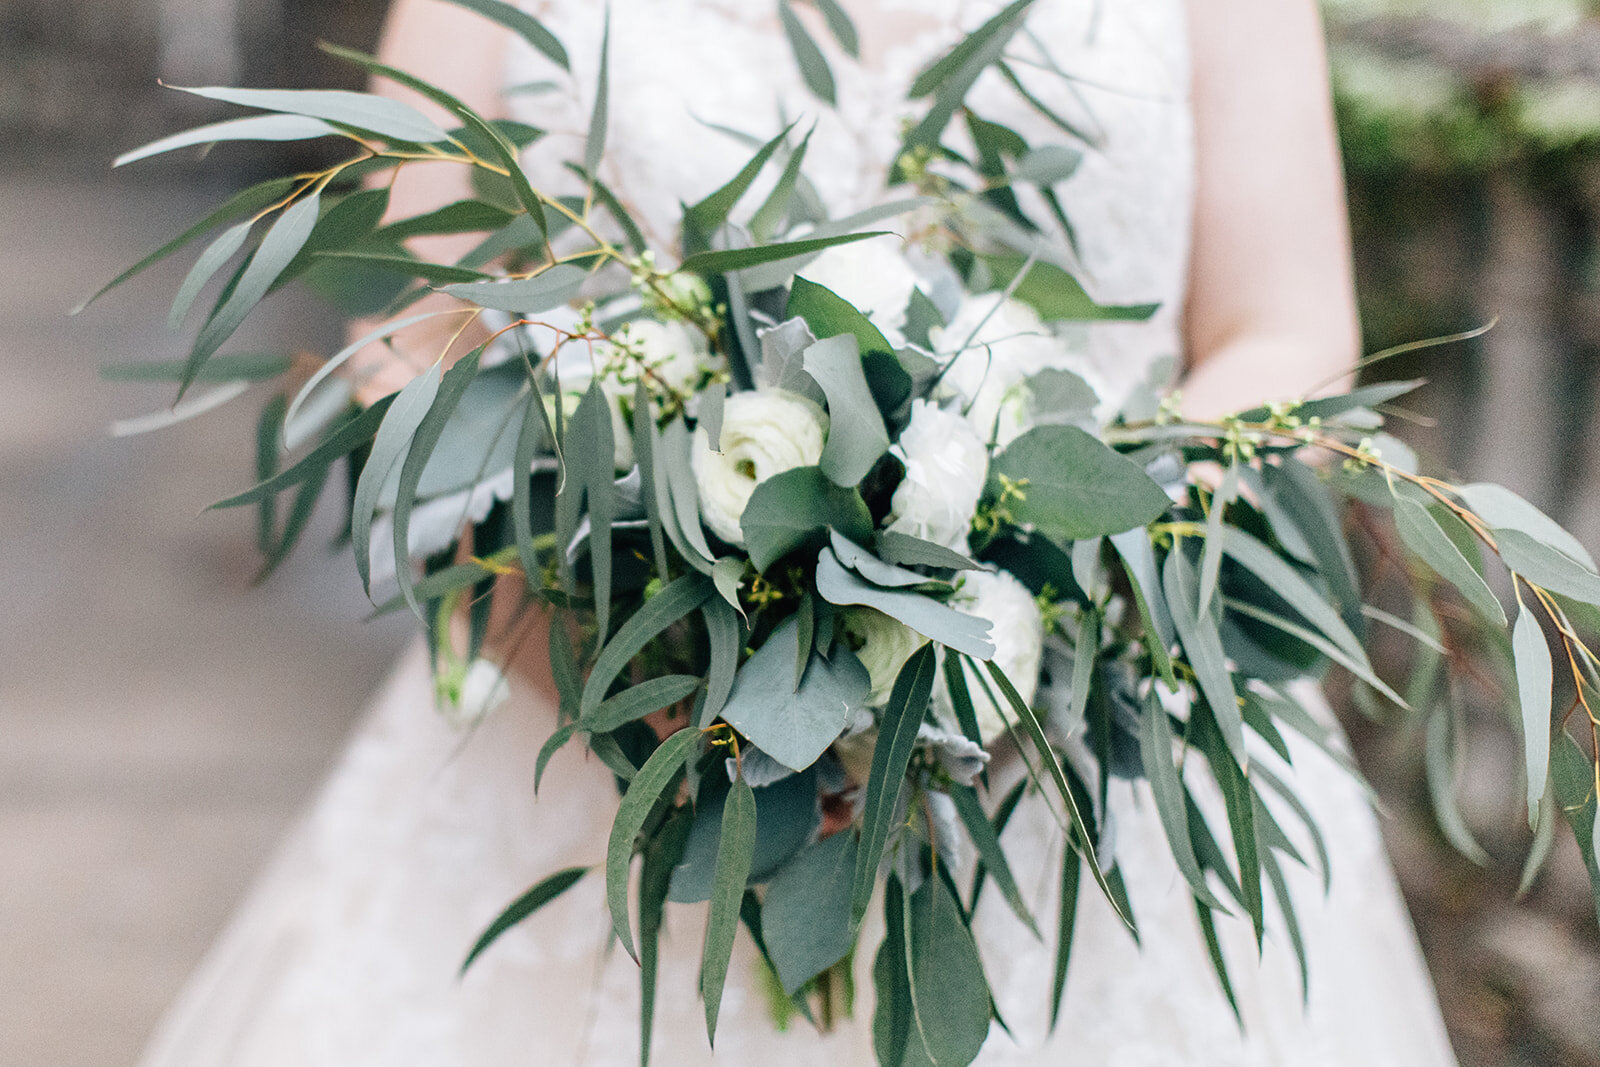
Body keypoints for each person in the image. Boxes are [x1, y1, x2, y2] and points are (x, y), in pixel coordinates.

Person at [140, 1, 1460, 1063]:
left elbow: (1281, 334)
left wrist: (1054, 616)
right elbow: (422, 349)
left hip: (1088, 762)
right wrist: (593, 668)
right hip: (607, 730)